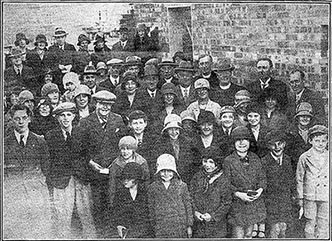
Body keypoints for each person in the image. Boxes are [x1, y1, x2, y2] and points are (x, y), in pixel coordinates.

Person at [76, 90, 125, 238]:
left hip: (113, 172)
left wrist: (115, 163)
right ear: (96, 104)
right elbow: (79, 149)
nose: (105, 108)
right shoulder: (85, 122)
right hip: (94, 175)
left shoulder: (118, 120)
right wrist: (90, 163)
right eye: (102, 104)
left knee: (113, 206)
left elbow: (122, 145)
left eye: (108, 105)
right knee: (96, 209)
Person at [3, 104, 52, 239]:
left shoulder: (40, 141)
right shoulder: (5, 143)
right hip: (14, 197)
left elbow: (46, 168)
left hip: (37, 195)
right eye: (17, 118)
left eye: (24, 118)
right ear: (12, 120)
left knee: (39, 232)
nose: (21, 121)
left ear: (29, 119)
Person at [223, 126, 267, 238]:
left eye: (245, 139)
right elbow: (226, 183)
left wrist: (259, 191)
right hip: (237, 206)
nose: (242, 143)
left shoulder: (255, 158)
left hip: (253, 204)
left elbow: (262, 178)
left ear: (250, 142)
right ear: (233, 143)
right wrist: (239, 194)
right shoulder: (228, 161)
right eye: (238, 140)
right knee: (238, 235)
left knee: (249, 234)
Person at [44, 102, 77, 239]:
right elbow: (48, 160)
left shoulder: (80, 133)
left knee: (83, 213)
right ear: (57, 118)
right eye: (62, 115)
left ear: (74, 116)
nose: (65, 118)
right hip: (60, 181)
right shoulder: (50, 136)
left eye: (68, 115)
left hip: (78, 179)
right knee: (61, 214)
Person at [189, 147, 232, 238]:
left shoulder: (223, 180)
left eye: (211, 162)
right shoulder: (197, 177)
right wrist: (195, 212)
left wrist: (212, 216)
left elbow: (226, 203)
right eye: (205, 161)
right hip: (199, 226)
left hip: (217, 228)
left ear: (217, 163)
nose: (207, 165)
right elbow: (190, 197)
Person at [147, 154, 193, 238]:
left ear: (174, 172)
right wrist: (154, 225)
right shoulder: (153, 187)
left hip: (179, 226)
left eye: (169, 171)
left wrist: (189, 225)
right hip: (161, 227)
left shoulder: (181, 186)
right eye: (163, 171)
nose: (166, 174)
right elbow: (151, 208)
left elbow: (188, 206)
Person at [296, 125, 328, 239]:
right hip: (310, 195)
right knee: (310, 221)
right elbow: (299, 179)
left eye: (323, 141)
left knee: (324, 222)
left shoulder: (330, 156)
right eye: (317, 141)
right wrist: (300, 198)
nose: (320, 144)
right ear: (310, 141)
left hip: (325, 195)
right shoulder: (304, 157)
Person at [261, 130, 295, 238]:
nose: (277, 147)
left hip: (285, 204)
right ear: (268, 146)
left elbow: (290, 182)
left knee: (283, 230)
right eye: (273, 144)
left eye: (279, 143)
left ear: (284, 144)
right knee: (274, 230)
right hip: (270, 205)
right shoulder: (264, 162)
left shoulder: (288, 160)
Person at [112, 162, 152, 238]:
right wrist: (118, 225)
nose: (125, 181)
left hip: (144, 233)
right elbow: (115, 213)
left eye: (129, 178)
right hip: (126, 233)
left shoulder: (145, 192)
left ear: (137, 178)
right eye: (124, 178)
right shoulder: (120, 193)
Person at [155, 114, 199, 184]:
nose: (174, 132)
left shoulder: (188, 143)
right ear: (166, 130)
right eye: (170, 129)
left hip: (187, 179)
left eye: (176, 129)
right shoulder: (160, 145)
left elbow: (193, 164)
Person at [108, 136, 150, 207]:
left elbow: (146, 180)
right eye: (123, 149)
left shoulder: (141, 162)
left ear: (133, 149)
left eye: (128, 149)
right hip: (122, 195)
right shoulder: (116, 164)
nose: (125, 152)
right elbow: (112, 184)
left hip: (138, 194)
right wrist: (111, 202)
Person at [127, 110, 159, 175]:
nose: (138, 126)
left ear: (145, 124)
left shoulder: (153, 139)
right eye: (135, 123)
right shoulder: (127, 138)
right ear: (130, 125)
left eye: (141, 123)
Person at [48, 27, 76, 92]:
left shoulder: (71, 47)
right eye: (58, 38)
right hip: (57, 77)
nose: (60, 39)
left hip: (69, 76)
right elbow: (49, 63)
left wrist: (71, 66)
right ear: (55, 39)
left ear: (65, 37)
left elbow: (76, 61)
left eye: (62, 37)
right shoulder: (51, 49)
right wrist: (58, 66)